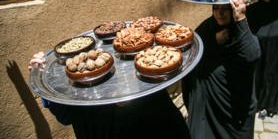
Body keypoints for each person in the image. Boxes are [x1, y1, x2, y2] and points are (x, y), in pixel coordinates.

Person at [29, 53, 191, 139]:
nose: (122, 96)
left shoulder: (155, 107)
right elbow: (65, 115)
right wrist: (45, 77)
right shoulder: (92, 110)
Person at [182, 0, 261, 139]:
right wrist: (213, 41)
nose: (219, 13)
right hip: (208, 105)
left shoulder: (241, 29)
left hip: (230, 108)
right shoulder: (208, 27)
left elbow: (252, 54)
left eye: (225, 8)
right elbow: (192, 50)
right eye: (216, 8)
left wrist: (240, 19)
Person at [246, 0, 278, 118]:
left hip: (275, 52)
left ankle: (268, 104)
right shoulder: (254, 10)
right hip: (259, 51)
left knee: (270, 76)